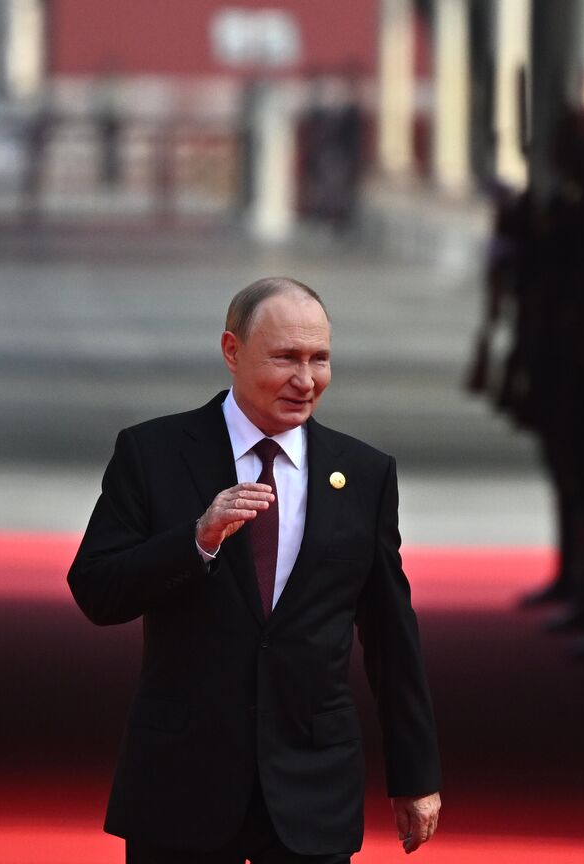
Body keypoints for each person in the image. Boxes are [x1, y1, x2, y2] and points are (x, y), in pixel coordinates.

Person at [68, 278, 442, 863]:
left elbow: (392, 637)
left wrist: (414, 776)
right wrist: (196, 541)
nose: (305, 379)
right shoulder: (154, 452)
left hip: (312, 786)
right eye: (286, 358)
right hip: (182, 783)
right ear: (231, 351)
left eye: (319, 359)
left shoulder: (364, 475)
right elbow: (95, 588)